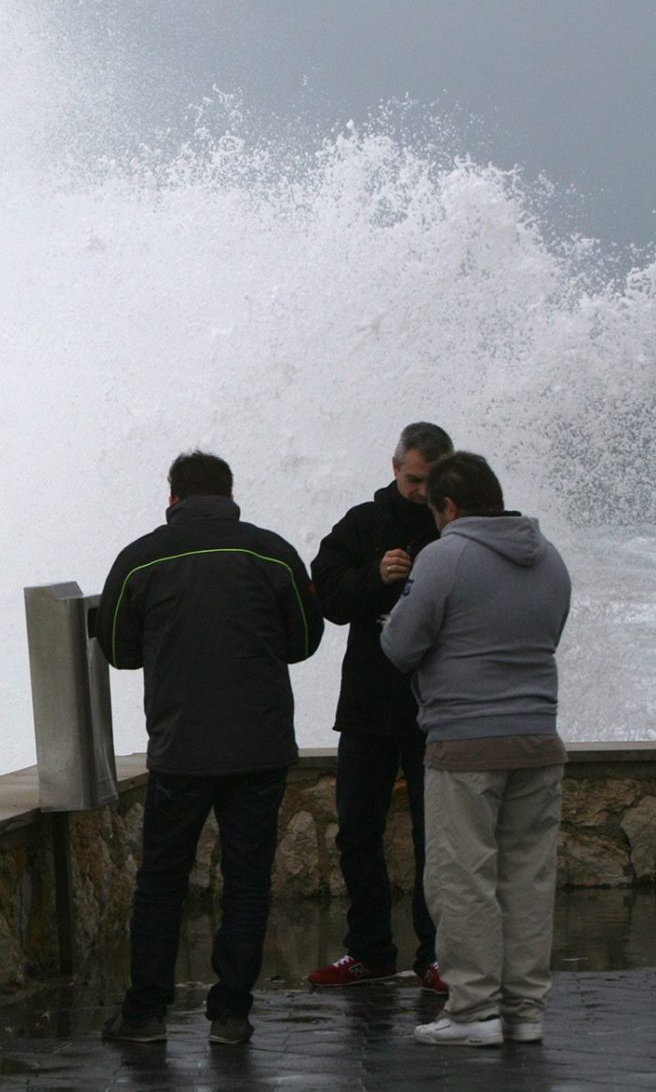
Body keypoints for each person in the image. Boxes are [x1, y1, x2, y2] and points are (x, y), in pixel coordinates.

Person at [95, 452, 323, 1047]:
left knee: (162, 881)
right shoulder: (270, 552)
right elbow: (304, 638)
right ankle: (231, 1014)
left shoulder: (140, 558)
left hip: (181, 749)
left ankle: (144, 1013)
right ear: (230, 493)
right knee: (248, 882)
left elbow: (117, 650)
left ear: (173, 497)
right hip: (260, 747)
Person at [382, 451, 572, 1048]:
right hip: (538, 739)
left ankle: (473, 1011)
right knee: (527, 877)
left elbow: (401, 645)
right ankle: (525, 1009)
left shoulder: (446, 556)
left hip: (465, 742)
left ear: (451, 507)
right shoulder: (550, 559)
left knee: (463, 877)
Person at [306, 422, 453, 993]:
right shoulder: (362, 524)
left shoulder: (456, 530)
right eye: (414, 479)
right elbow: (326, 598)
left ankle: (436, 953)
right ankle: (369, 951)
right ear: (395, 468)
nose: (421, 492)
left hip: (434, 707)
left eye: (431, 481)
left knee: (434, 837)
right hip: (369, 704)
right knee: (356, 832)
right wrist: (375, 576)